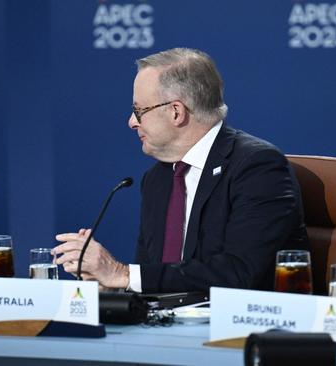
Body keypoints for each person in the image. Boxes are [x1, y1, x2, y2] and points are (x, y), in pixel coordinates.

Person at [53, 48, 308, 293]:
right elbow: (155, 276)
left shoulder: (257, 167)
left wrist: (123, 274)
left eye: (138, 110)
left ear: (176, 112)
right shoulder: (157, 179)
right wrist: (114, 285)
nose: (131, 122)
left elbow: (239, 273)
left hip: (240, 330)